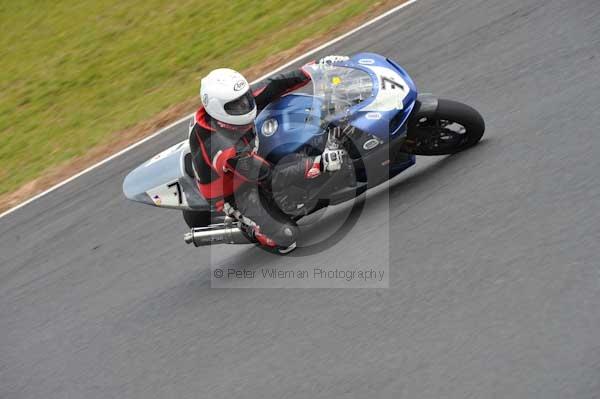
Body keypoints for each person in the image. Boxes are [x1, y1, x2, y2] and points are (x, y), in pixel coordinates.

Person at [188, 56, 348, 253]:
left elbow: (271, 87)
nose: (246, 105)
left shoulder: (230, 106)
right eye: (237, 105)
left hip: (250, 149)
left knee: (301, 134)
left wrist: (313, 70)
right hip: (236, 190)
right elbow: (273, 177)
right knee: (287, 238)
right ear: (216, 108)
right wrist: (319, 163)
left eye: (245, 98)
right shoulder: (225, 150)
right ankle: (248, 226)